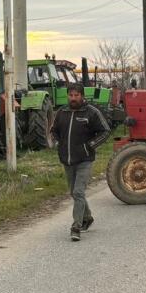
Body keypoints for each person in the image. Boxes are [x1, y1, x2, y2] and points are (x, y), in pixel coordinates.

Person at [50, 83, 111, 241]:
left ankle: (76, 227)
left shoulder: (91, 112)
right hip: (67, 159)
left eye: (76, 95)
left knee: (78, 192)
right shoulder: (61, 112)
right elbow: (53, 130)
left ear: (82, 96)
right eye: (71, 95)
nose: (73, 98)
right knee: (74, 192)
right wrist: (57, 143)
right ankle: (87, 217)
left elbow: (105, 131)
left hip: (84, 159)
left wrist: (90, 145)